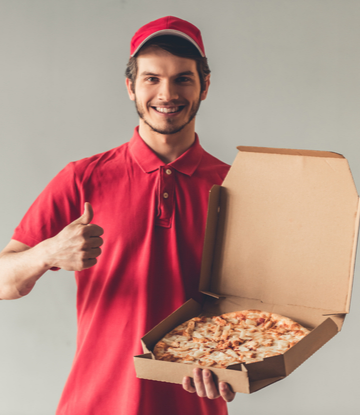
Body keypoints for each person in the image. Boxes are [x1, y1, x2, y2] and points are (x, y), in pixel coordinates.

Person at [0, 16, 235, 414]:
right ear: (130, 87)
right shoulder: (82, 179)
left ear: (205, 86)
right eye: (151, 78)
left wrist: (233, 364)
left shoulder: (235, 188)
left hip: (194, 407)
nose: (167, 93)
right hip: (94, 404)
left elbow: (252, 309)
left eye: (183, 78)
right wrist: (47, 253)